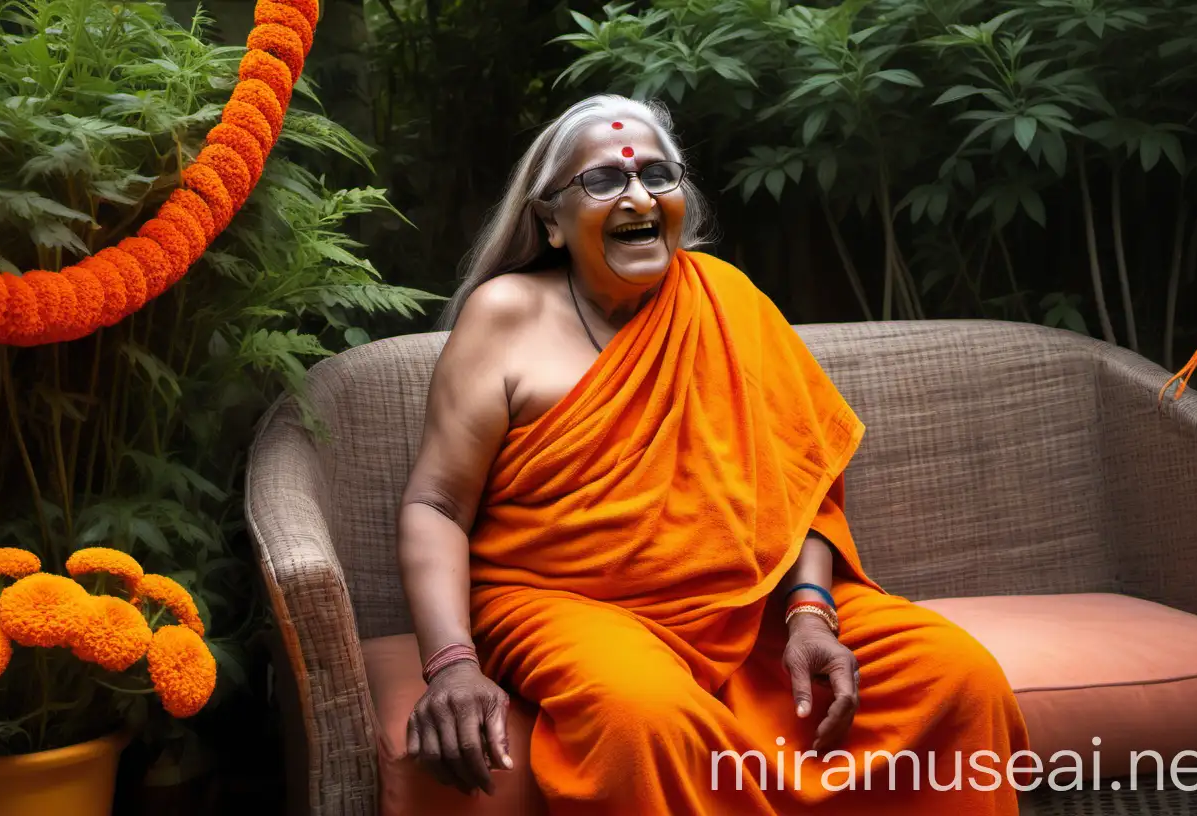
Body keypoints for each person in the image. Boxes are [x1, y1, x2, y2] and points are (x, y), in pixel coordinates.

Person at [395, 94, 1030, 815]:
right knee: (646, 720)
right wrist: (451, 664)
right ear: (550, 220)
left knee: (955, 675)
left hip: (749, 606)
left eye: (657, 175)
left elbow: (800, 489)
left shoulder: (727, 301)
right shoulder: (506, 314)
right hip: (564, 603)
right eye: (603, 181)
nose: (638, 194)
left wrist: (811, 616)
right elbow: (437, 504)